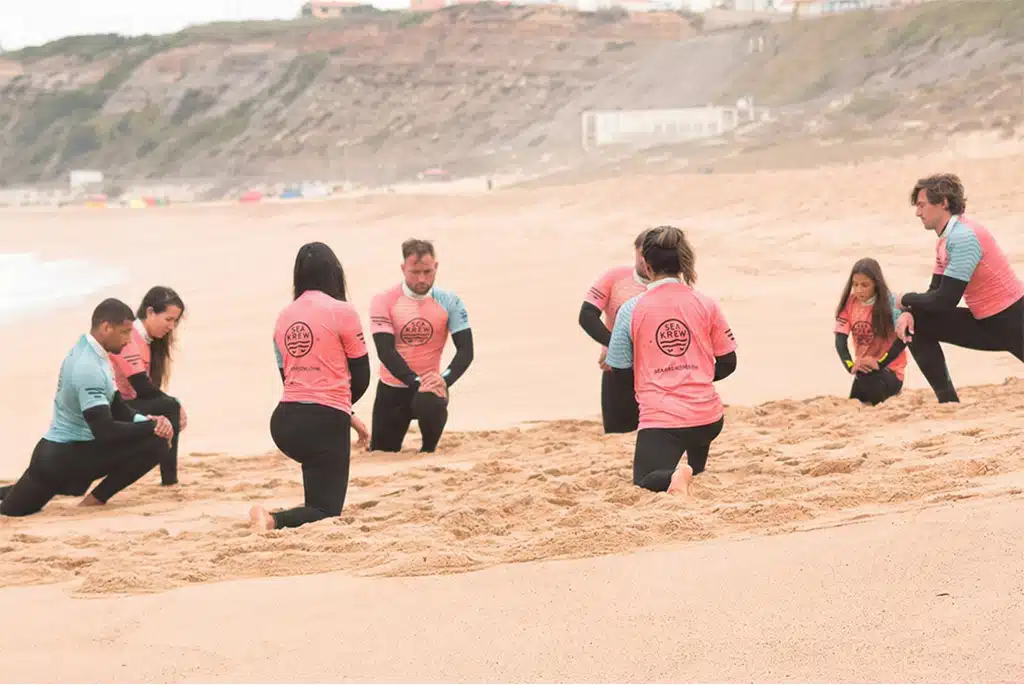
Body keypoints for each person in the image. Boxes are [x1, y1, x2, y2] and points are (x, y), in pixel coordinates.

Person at [0, 299, 173, 517]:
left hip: (75, 452)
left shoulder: (97, 355)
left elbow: (118, 407)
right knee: (12, 510)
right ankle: (90, 498)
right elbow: (105, 431)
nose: (129, 340)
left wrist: (149, 421)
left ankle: (94, 500)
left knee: (156, 442)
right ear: (106, 327)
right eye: (124, 332)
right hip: (60, 459)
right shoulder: (87, 366)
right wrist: (152, 428)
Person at [605, 225, 737, 497]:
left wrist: (653, 386)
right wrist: (694, 375)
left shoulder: (631, 308)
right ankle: (694, 467)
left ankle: (680, 473)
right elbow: (728, 361)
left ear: (647, 265)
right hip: (709, 419)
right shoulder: (706, 303)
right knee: (694, 454)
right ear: (681, 262)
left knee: (645, 479)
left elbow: (618, 369)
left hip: (665, 420)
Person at [249, 242, 370, 531]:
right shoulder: (343, 311)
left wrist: (347, 417)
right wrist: (340, 413)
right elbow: (362, 376)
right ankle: (272, 519)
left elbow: (295, 383)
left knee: (318, 490)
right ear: (335, 273)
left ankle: (281, 515)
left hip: (285, 422)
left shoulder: (283, 316)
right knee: (326, 510)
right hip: (324, 422)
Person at [893, 173, 1024, 403]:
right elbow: (934, 294)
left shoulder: (964, 237)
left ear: (943, 202)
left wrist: (903, 298)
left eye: (922, 205)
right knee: (919, 323)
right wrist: (908, 311)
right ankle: (949, 404)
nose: (917, 213)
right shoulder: (946, 240)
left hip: (1013, 320)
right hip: (989, 324)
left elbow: (945, 301)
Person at [368, 238, 474, 453]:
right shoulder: (384, 300)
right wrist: (415, 381)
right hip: (393, 389)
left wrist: (443, 380)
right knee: (382, 452)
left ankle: (428, 451)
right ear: (403, 268)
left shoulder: (449, 302)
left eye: (427, 271)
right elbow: (385, 350)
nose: (422, 279)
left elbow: (466, 350)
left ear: (436, 267)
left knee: (430, 404)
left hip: (430, 390)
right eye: (415, 272)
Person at [110, 286, 187, 486]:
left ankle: (169, 478)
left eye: (175, 321)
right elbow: (142, 387)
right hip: (109, 408)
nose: (172, 326)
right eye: (168, 320)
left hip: (126, 404)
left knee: (168, 408)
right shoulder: (129, 336)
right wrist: (175, 405)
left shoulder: (149, 341)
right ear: (150, 312)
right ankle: (170, 481)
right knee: (169, 407)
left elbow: (147, 392)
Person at [578, 229, 650, 433]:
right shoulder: (615, 277)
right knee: (617, 433)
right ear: (635, 251)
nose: (645, 261)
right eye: (641, 255)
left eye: (651, 256)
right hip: (617, 368)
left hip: (655, 371)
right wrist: (615, 346)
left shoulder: (669, 285)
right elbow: (587, 316)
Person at [834, 258, 908, 406]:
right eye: (855, 285)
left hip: (891, 371)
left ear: (876, 283)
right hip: (863, 372)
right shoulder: (849, 303)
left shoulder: (891, 303)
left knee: (869, 379)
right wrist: (850, 365)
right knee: (858, 392)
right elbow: (840, 341)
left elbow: (903, 340)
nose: (859, 290)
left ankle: (887, 397)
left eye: (865, 285)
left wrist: (879, 363)